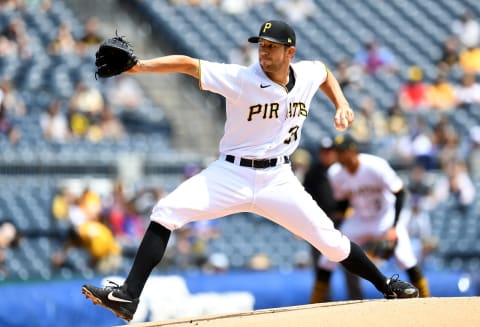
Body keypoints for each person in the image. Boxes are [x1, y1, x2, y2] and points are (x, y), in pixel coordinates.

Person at [82, 20, 419, 322]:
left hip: (279, 179)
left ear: (290, 52)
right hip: (230, 174)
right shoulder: (242, 78)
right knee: (166, 211)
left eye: (271, 47)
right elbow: (188, 64)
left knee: (330, 242)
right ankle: (128, 296)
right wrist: (138, 68)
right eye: (261, 45)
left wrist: (342, 103)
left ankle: (386, 284)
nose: (263, 51)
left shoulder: (307, 73)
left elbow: (326, 72)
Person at [313, 134, 430, 302]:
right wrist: (336, 223)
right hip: (360, 218)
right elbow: (343, 202)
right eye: (337, 151)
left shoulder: (375, 165)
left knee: (405, 258)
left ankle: (427, 298)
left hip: (385, 217)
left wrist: (393, 227)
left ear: (353, 150)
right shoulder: (335, 173)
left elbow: (400, 193)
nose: (339, 155)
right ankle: (314, 300)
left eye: (342, 151)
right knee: (327, 256)